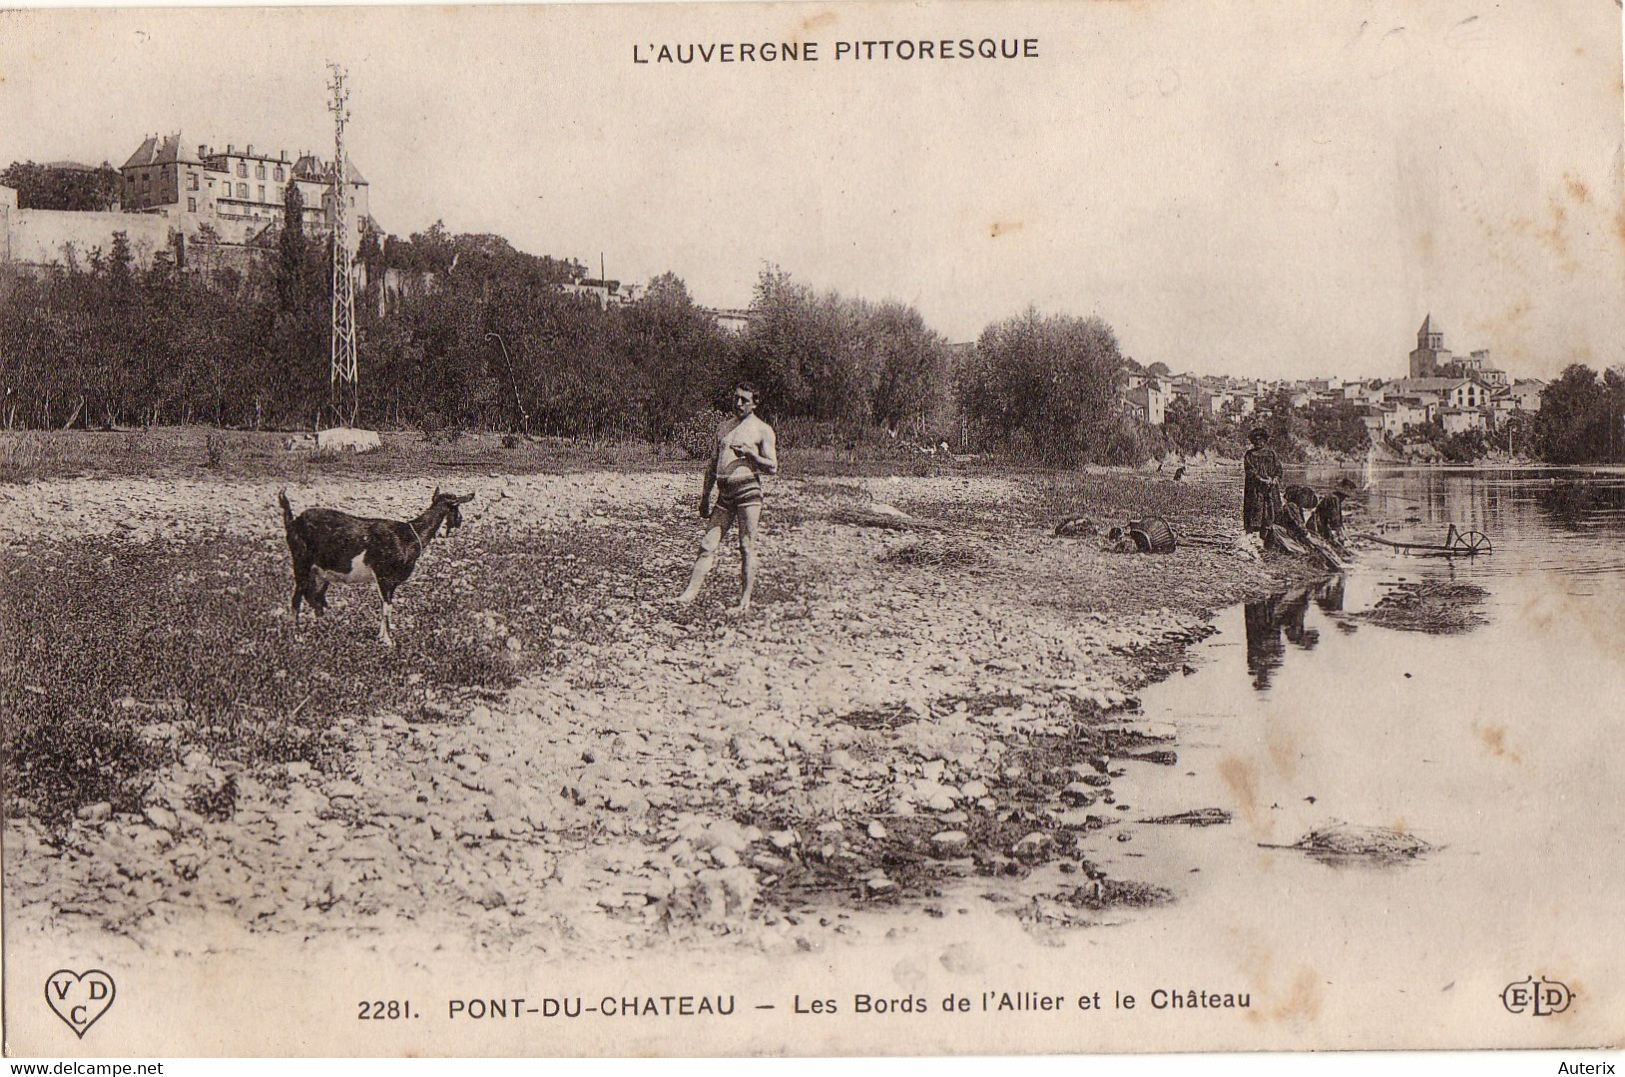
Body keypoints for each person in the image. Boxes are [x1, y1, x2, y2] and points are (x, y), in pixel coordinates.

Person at [675, 382, 778, 612]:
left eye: (744, 400)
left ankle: (745, 601)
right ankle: (689, 594)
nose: (738, 403)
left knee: (746, 545)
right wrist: (705, 497)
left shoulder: (762, 430)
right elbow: (712, 465)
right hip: (724, 494)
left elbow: (772, 467)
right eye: (736, 398)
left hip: (748, 492)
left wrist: (752, 455)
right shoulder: (724, 427)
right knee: (707, 544)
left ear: (755, 403)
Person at [1242, 427, 1283, 537]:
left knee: (1272, 510)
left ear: (1265, 440)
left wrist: (1275, 479)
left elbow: (1279, 470)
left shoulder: (1272, 454)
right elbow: (1250, 471)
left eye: (1260, 440)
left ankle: (1270, 535)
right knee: (1255, 511)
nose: (1258, 442)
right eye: (1256, 440)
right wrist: (1262, 480)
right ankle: (1254, 536)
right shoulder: (1249, 455)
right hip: (1255, 489)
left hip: (1271, 488)